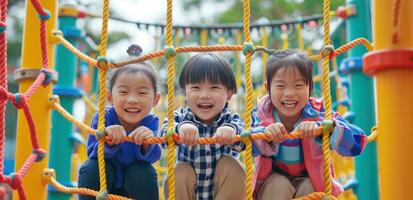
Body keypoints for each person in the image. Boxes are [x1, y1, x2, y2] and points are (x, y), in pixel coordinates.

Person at [251, 49, 367, 200]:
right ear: (268, 89)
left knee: (310, 189)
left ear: (310, 88)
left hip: (311, 177)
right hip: (273, 176)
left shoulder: (319, 112)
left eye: (298, 85)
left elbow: (358, 143)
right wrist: (265, 134)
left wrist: (326, 128)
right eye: (280, 86)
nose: (289, 93)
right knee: (278, 186)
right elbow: (246, 144)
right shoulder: (262, 113)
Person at [78, 47, 161, 200]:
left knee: (144, 172)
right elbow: (91, 152)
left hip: (132, 189)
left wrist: (147, 143)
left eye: (142, 93)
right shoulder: (103, 117)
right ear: (110, 97)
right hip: (104, 184)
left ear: (155, 99)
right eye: (123, 92)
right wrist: (109, 141)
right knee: (91, 168)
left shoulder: (151, 121)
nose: (132, 100)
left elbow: (154, 157)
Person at [161, 53, 246, 200]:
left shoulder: (230, 119)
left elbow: (245, 139)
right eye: (196, 87)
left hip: (221, 192)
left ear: (229, 94)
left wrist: (232, 132)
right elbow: (163, 136)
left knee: (231, 165)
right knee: (179, 171)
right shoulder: (180, 117)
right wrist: (181, 127)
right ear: (185, 92)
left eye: (214, 88)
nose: (204, 95)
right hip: (188, 194)